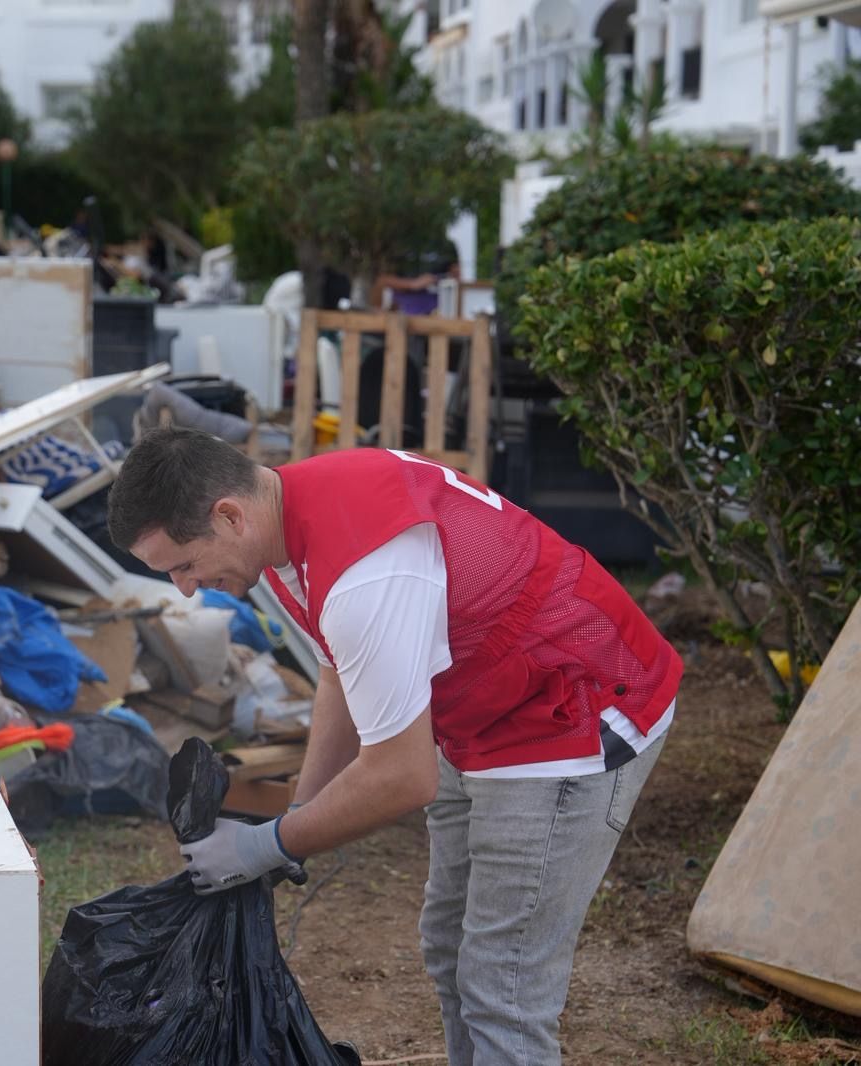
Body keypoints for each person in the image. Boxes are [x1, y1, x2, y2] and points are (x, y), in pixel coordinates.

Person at [106, 428, 681, 1066]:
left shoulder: (364, 572)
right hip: (484, 710)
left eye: (183, 565)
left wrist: (267, 844)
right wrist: (299, 814)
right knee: (448, 944)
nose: (185, 588)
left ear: (228, 515)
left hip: (573, 715)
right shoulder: (285, 523)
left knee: (503, 985)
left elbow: (403, 777)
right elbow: (338, 672)